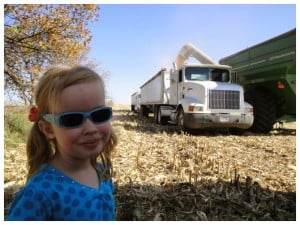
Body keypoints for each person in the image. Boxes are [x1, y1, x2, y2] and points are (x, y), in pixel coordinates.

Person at [7, 65, 118, 221]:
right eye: (72, 119)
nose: (91, 129)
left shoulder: (101, 171)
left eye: (100, 114)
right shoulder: (39, 193)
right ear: (48, 129)